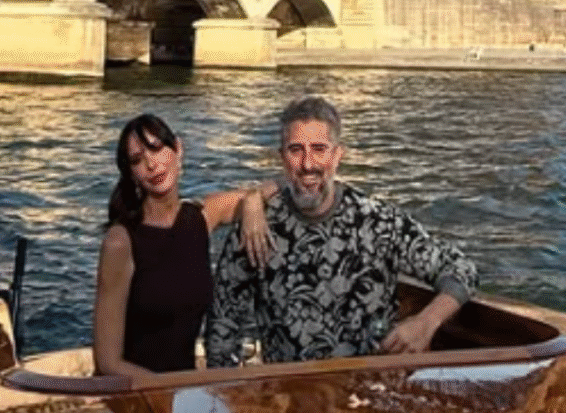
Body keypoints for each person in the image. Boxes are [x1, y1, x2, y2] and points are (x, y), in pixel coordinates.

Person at [205, 96, 478, 367]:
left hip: (368, 392)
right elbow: (223, 328)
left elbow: (461, 268)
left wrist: (426, 321)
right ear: (282, 157)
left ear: (337, 156)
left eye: (319, 149)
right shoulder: (257, 229)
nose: (308, 163)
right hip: (289, 396)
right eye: (296, 150)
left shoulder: (378, 222)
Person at [93, 113, 277, 381]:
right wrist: (169, 391)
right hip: (134, 395)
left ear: (178, 150)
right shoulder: (120, 241)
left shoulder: (200, 218)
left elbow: (278, 184)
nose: (151, 164)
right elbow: (108, 362)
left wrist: (252, 201)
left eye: (157, 149)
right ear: (131, 174)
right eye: (137, 160)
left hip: (184, 389)